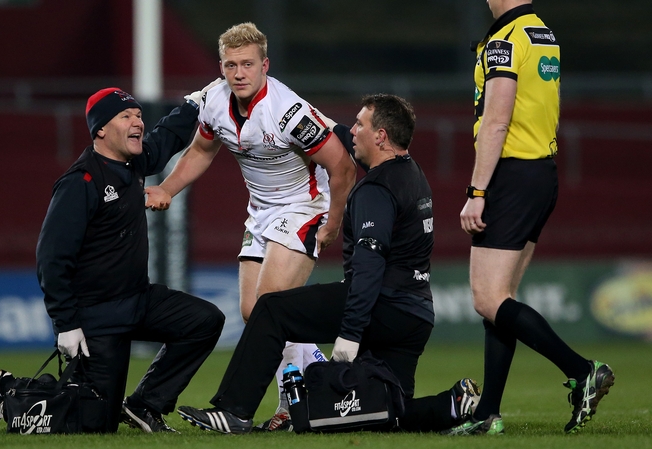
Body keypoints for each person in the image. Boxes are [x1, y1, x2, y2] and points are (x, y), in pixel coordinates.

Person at [173, 94, 480, 435]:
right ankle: (453, 405)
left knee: (271, 309)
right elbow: (342, 135)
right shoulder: (411, 172)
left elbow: (369, 268)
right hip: (415, 314)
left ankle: (234, 411)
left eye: (361, 124)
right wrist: (303, 110)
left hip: (381, 305)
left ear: (380, 136)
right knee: (381, 410)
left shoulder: (375, 191)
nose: (353, 131)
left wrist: (349, 334)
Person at [0, 82, 227, 434]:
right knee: (95, 424)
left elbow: (164, 140)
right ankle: (6, 389)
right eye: (126, 116)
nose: (138, 122)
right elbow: (51, 258)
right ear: (101, 130)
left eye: (138, 115)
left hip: (137, 300)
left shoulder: (135, 161)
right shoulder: (80, 182)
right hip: (97, 315)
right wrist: (65, 323)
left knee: (204, 321)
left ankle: (144, 405)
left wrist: (193, 104)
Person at [144, 22, 356, 430]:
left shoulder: (288, 111)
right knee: (253, 312)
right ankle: (320, 384)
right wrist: (166, 188)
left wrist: (333, 222)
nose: (239, 73)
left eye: (247, 64)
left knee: (271, 304)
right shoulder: (213, 101)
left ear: (265, 65)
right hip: (260, 211)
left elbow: (342, 165)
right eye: (231, 65)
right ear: (221, 67)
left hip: (304, 206)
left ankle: (289, 402)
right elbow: (201, 150)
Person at [443, 0, 614, 436]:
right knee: (501, 301)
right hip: (540, 172)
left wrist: (477, 192)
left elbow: (496, 121)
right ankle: (487, 413)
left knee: (487, 299)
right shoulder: (542, 33)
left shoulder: (504, 40)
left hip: (511, 175)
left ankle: (582, 371)